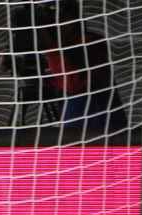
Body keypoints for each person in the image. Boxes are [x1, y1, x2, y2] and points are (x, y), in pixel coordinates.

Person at [36, 0, 127, 128]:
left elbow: (73, 83)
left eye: (61, 16)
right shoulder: (54, 49)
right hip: (73, 128)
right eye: (51, 17)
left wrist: (51, 48)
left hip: (100, 129)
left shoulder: (90, 43)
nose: (57, 22)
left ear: (74, 17)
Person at [0, 4, 60, 126]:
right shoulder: (17, 36)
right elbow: (3, 65)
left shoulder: (41, 32)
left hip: (49, 84)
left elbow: (3, 65)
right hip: (35, 80)